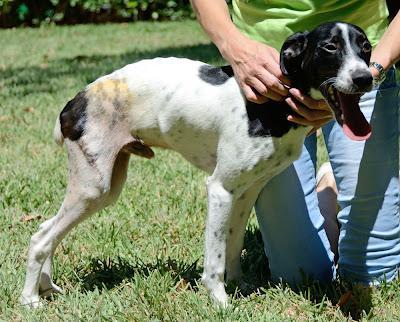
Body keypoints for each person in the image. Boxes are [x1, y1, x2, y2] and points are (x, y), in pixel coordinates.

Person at [191, 0, 400, 286]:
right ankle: (328, 194)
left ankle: (330, 189)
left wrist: (373, 68)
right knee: (302, 277)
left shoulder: (364, 63)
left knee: (376, 276)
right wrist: (235, 47)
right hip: (266, 74)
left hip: (368, 64)